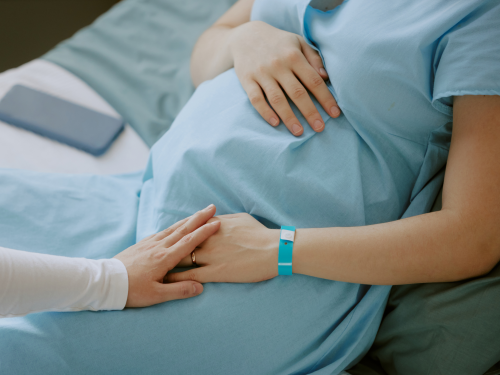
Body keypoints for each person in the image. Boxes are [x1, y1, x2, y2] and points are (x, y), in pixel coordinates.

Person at [0, 0, 499, 374]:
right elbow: (208, 51)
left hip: (260, 274)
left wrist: (276, 251)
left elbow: (472, 237)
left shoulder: (481, 18)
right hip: (145, 199)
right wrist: (245, 39)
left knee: (23, 350)